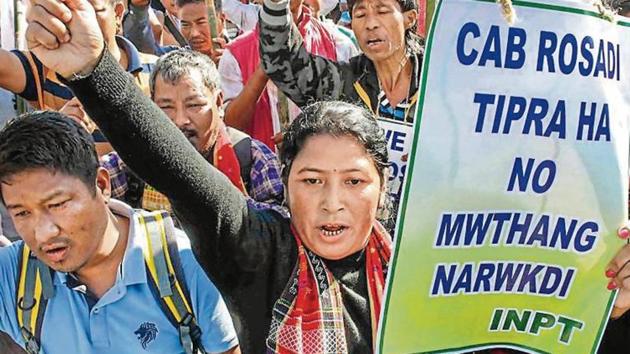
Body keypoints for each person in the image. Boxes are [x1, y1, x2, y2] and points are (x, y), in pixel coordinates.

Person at [22, 1, 392, 352]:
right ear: (287, 183)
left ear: (382, 188)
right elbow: (174, 168)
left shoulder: (415, 265)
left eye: (354, 181)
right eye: (311, 180)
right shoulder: (260, 252)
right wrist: (92, 69)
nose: (332, 202)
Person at [0, 111, 240, 354]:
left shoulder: (185, 263)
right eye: (22, 213)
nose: (43, 234)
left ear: (102, 185)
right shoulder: (14, 275)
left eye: (57, 204)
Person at [258, 0, 422, 223]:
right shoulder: (342, 83)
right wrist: (276, 5)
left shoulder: (440, 81)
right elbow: (281, 62)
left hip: (426, 228)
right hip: (359, 231)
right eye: (360, 15)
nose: (371, 24)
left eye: (382, 11)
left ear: (409, 18)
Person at [101, 49, 285, 212]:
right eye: (166, 108)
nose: (180, 121)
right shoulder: (134, 159)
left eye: (194, 105)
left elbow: (275, 231)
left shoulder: (253, 159)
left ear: (219, 103)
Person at [219, 0, 357, 150]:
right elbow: (230, 127)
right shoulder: (234, 53)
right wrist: (263, 72)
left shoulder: (339, 45)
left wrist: (305, 134)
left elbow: (355, 122)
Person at [0, 0, 157, 111]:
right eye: (72, 11)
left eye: (94, 10)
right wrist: (64, 129)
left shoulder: (157, 71)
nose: (84, 21)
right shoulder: (45, 68)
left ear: (117, 14)